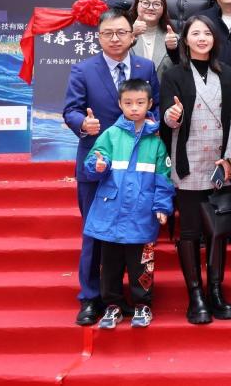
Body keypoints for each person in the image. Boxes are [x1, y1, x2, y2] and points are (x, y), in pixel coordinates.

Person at [63, 8, 160, 326]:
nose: (115, 38)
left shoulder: (146, 67)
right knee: (95, 233)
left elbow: (156, 106)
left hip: (138, 168)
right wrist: (83, 123)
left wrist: (157, 122)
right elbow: (71, 109)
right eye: (108, 33)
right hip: (98, 165)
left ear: (132, 35)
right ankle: (92, 298)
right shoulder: (83, 69)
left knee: (135, 232)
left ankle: (133, 298)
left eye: (121, 32)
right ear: (99, 37)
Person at [160, 15, 231, 324]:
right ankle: (195, 294)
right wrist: (172, 115)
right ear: (185, 39)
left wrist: (230, 159)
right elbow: (167, 117)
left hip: (219, 163)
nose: (202, 38)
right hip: (189, 160)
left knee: (217, 231)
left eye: (207, 33)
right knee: (191, 231)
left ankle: (216, 291)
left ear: (214, 39)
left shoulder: (228, 73)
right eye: (195, 33)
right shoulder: (174, 74)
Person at [82, 78, 173, 330]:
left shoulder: (156, 143)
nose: (134, 108)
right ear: (120, 104)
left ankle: (143, 304)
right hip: (110, 213)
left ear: (150, 104)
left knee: (141, 264)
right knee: (109, 265)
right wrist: (98, 165)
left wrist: (162, 207)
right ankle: (112, 306)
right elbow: (92, 162)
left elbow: (163, 179)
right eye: (129, 103)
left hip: (141, 214)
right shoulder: (110, 135)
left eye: (140, 103)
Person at [128, 0, 178, 78]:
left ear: (163, 8)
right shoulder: (123, 35)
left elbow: (182, 71)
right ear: (136, 5)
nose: (151, 8)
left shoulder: (173, 38)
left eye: (156, 4)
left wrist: (174, 50)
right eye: (145, 3)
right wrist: (130, 34)